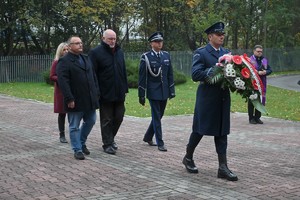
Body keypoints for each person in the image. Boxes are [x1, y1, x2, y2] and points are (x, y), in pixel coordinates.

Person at [182, 22, 238, 181]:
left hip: (222, 97)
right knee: (200, 129)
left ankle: (222, 167)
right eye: (218, 34)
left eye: (223, 34)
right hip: (207, 98)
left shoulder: (227, 52)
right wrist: (216, 68)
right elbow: (195, 74)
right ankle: (188, 157)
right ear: (210, 36)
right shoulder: (201, 53)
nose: (222, 36)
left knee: (222, 130)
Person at [56, 36, 100, 160]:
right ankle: (77, 149)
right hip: (75, 99)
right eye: (77, 43)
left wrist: (96, 93)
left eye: (81, 43)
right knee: (74, 125)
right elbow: (63, 82)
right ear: (69, 46)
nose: (80, 45)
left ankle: (81, 142)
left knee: (91, 120)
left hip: (90, 98)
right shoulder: (64, 61)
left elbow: (93, 77)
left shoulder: (86, 58)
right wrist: (69, 98)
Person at [89, 29, 128, 155]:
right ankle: (107, 144)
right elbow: (92, 74)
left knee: (119, 116)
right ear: (103, 38)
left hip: (119, 92)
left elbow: (123, 71)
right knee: (106, 119)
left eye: (114, 38)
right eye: (110, 38)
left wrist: (125, 88)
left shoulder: (119, 52)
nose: (112, 41)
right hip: (104, 92)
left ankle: (110, 139)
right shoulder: (95, 53)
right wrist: (96, 91)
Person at [138, 32, 175, 152]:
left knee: (159, 115)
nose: (159, 44)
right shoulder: (146, 57)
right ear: (151, 43)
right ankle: (160, 142)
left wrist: (171, 90)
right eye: (157, 42)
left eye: (161, 41)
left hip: (164, 91)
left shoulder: (166, 55)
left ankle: (148, 136)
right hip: (153, 92)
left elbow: (170, 74)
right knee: (156, 117)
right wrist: (141, 94)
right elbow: (142, 77)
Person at [50, 42, 69, 143]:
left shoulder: (71, 61)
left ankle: (74, 133)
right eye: (64, 50)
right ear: (60, 51)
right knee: (62, 113)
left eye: (67, 49)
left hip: (72, 90)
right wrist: (62, 79)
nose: (66, 52)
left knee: (73, 113)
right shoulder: (56, 62)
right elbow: (52, 75)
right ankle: (62, 134)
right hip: (61, 91)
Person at [248, 45, 272, 124]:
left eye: (261, 51)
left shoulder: (264, 60)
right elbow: (246, 71)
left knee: (261, 100)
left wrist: (265, 72)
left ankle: (257, 117)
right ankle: (251, 118)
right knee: (252, 100)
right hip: (252, 83)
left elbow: (270, 69)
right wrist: (257, 72)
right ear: (254, 51)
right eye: (258, 51)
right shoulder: (249, 60)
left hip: (262, 84)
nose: (259, 53)